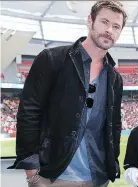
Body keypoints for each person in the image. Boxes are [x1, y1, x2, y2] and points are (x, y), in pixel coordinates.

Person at [8, 1, 127, 186]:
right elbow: (29, 114)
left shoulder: (114, 78)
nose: (109, 30)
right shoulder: (51, 59)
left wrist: (111, 164)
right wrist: (32, 173)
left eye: (116, 26)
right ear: (90, 20)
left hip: (96, 177)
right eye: (104, 22)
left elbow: (114, 125)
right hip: (53, 177)